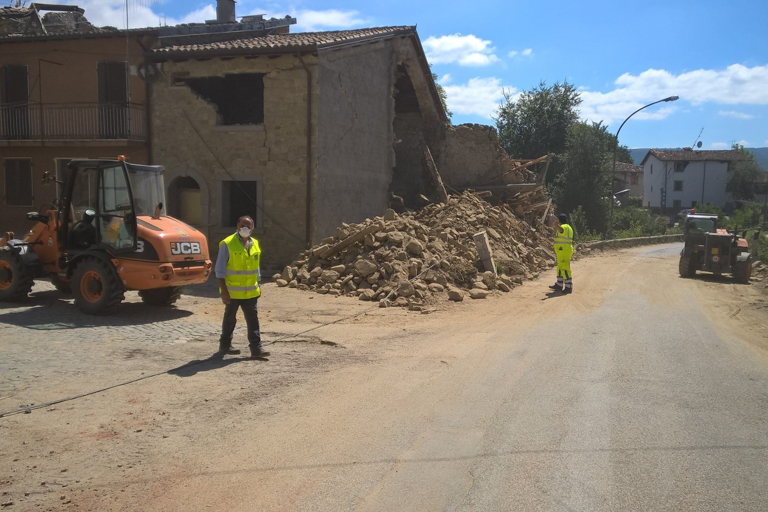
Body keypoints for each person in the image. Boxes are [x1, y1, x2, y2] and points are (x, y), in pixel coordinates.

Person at [215, 215, 270, 358]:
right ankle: (225, 345)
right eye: (242, 225)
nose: (245, 228)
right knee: (230, 319)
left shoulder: (255, 243)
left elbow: (255, 267)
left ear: (252, 229)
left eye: (248, 226)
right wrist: (224, 292)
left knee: (253, 320)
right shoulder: (227, 243)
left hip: (251, 292)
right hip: (232, 292)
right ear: (237, 226)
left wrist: (258, 284)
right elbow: (219, 270)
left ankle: (256, 349)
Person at [549, 213, 574, 294]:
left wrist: (556, 225)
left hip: (564, 251)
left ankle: (568, 287)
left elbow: (561, 230)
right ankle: (559, 285)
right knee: (560, 267)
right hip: (562, 251)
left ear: (559, 220)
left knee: (565, 268)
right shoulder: (569, 227)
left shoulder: (565, 227)